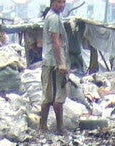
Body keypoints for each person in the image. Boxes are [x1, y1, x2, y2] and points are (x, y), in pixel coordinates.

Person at [39, 0, 69, 134]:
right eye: (59, 2)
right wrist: (61, 63)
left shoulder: (50, 17)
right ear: (52, 3)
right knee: (59, 96)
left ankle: (43, 127)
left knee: (48, 96)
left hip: (48, 62)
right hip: (54, 63)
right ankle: (60, 128)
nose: (62, 5)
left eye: (63, 2)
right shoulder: (54, 19)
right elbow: (55, 41)